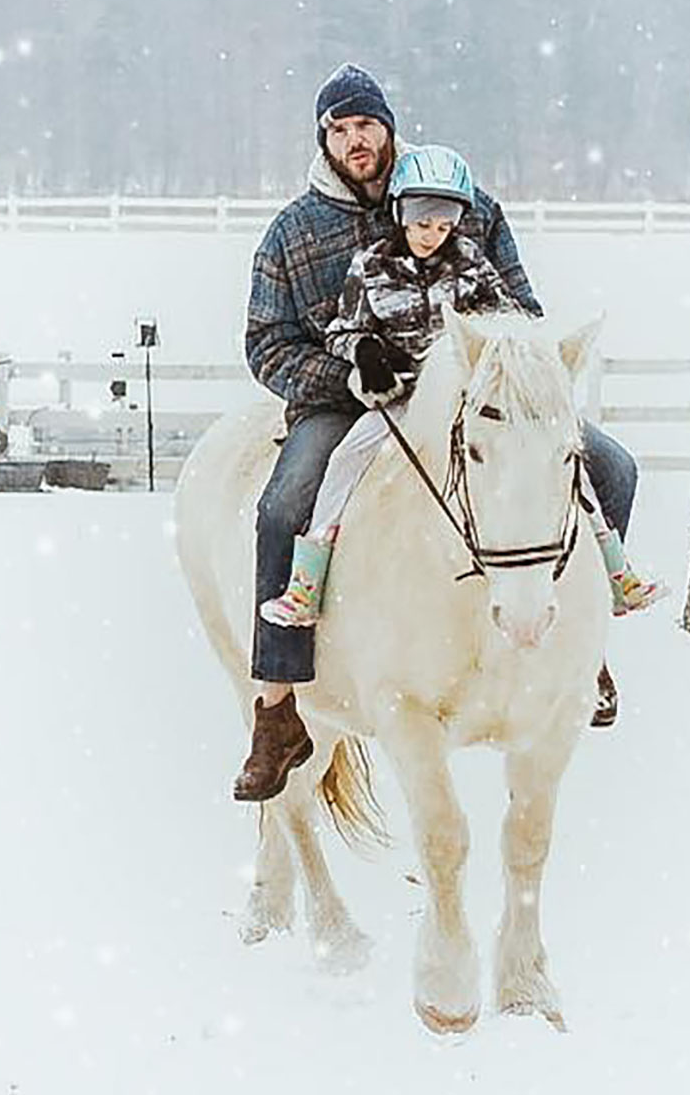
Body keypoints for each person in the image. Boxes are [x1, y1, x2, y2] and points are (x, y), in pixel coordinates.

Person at [235, 63, 641, 802]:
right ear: (324, 140)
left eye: (367, 126)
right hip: (355, 404)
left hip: (472, 399)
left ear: (388, 127)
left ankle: (584, 645)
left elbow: (519, 307)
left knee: (611, 468)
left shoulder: (465, 201)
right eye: (341, 130)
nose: (357, 141)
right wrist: (353, 374)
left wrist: (490, 369)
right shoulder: (295, 232)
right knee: (286, 504)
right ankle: (278, 704)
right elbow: (267, 346)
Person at [258, 143, 664, 633]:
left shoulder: (470, 263)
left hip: (466, 399)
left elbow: (511, 316)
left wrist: (498, 355)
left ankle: (615, 569)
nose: (433, 235)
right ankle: (307, 578)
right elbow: (342, 329)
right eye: (423, 224)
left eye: (444, 226)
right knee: (344, 460)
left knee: (567, 461)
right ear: (401, 216)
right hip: (402, 398)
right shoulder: (371, 267)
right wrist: (364, 353)